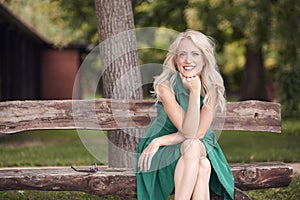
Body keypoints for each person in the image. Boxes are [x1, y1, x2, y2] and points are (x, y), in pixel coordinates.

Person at [136, 30, 234, 200]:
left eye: (195, 54)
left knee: (193, 145)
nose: (188, 60)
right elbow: (188, 131)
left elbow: (198, 133)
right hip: (164, 153)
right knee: (202, 165)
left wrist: (196, 92)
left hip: (192, 142)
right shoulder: (165, 85)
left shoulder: (212, 87)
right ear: (175, 58)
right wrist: (161, 141)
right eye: (183, 54)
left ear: (204, 58)